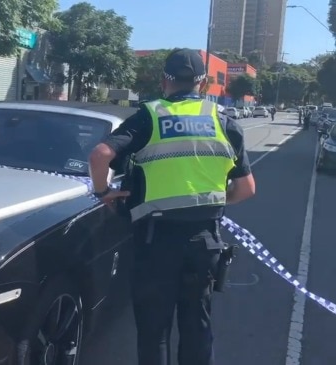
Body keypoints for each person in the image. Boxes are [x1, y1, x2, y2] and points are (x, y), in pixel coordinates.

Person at [88, 48, 256, 365]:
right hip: (205, 242)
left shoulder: (150, 116)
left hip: (156, 244)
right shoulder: (224, 122)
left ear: (164, 80)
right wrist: (216, 201)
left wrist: (103, 193)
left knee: (154, 331)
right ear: (202, 83)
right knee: (197, 326)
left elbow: (100, 155)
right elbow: (246, 189)